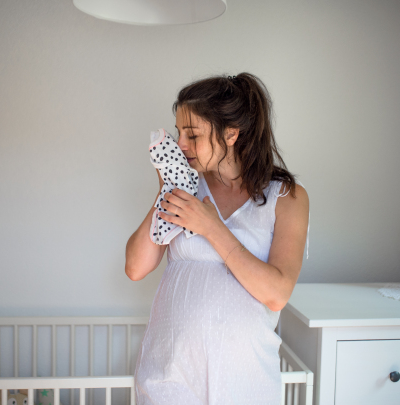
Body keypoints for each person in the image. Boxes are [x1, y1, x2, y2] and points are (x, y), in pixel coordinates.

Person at [125, 73, 310, 405]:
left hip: (243, 380)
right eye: (179, 132)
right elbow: (136, 267)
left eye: (192, 134)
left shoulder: (286, 197)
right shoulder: (187, 187)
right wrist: (167, 188)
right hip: (171, 377)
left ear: (231, 133)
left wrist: (212, 227)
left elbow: (277, 294)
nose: (180, 144)